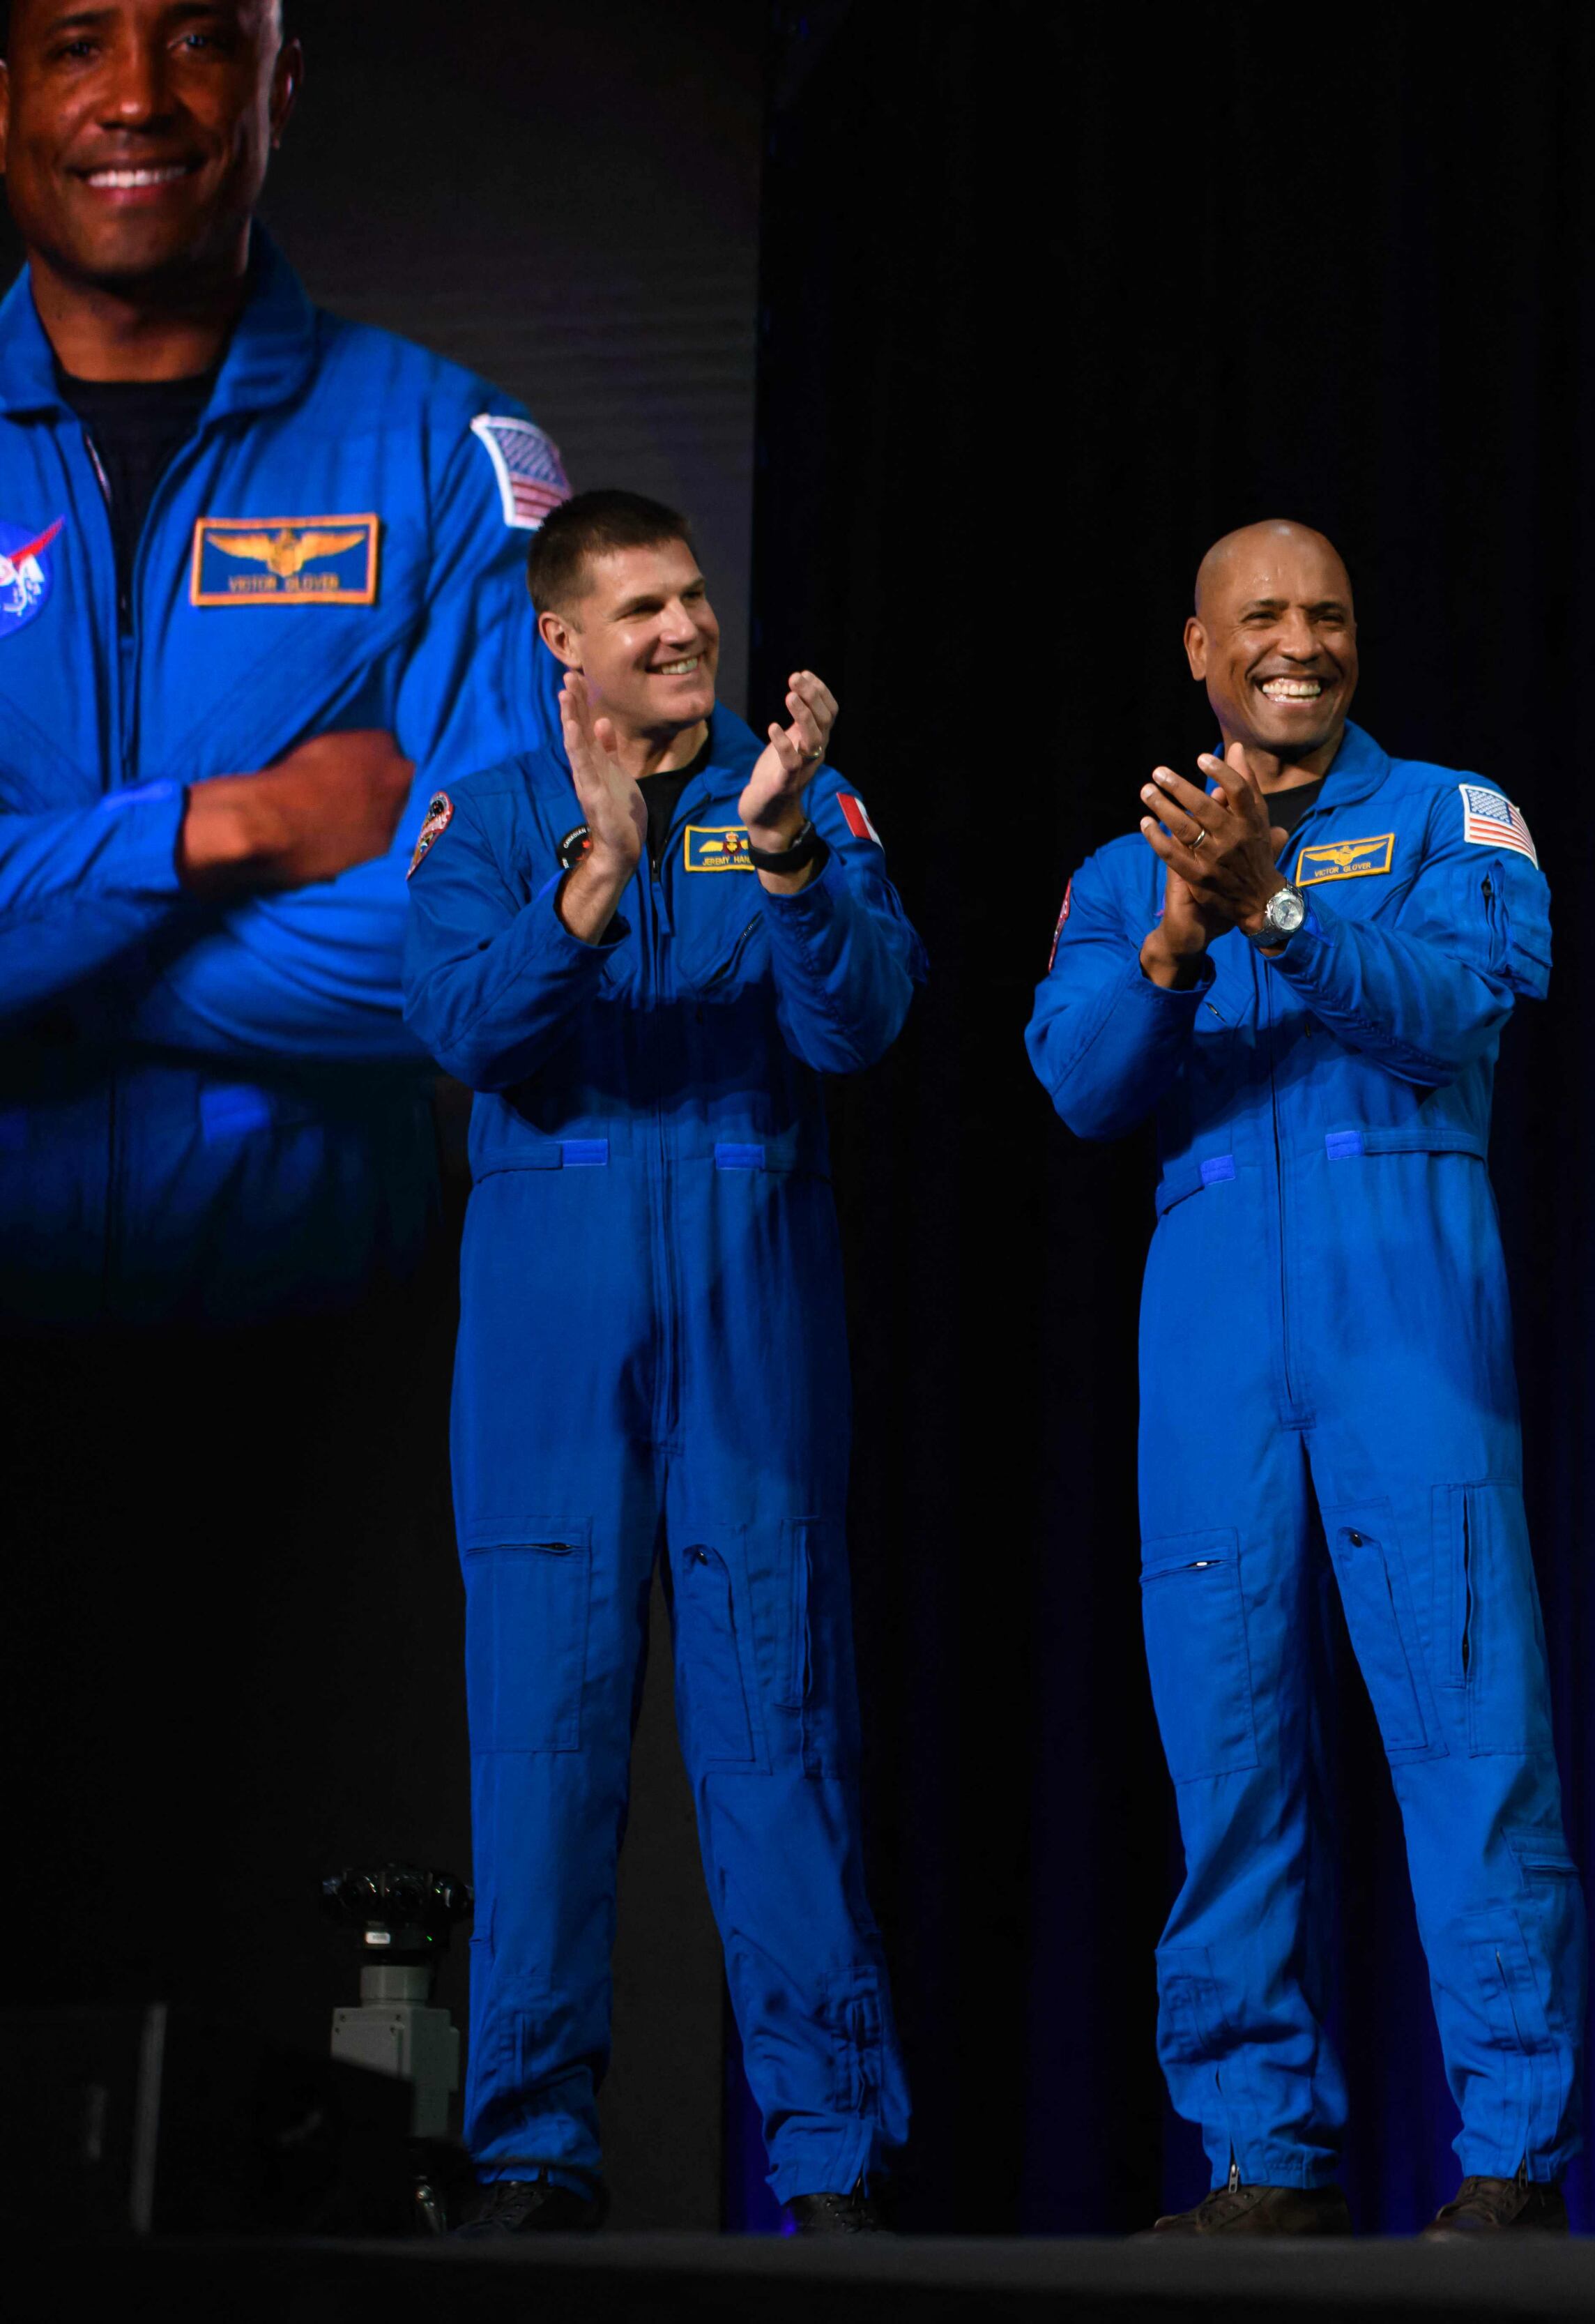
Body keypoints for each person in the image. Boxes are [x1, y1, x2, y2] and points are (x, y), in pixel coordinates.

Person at [1028, 519, 1583, 2239]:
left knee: (1471, 1739)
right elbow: (1081, 1088)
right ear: (1199, 649)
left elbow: (1464, 1006)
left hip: (1401, 1311)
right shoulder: (1128, 867)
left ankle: (1516, 2157)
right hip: (1210, 1334)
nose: (1301, 642)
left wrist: (1278, 906)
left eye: (1329, 614)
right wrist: (1176, 940)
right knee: (1231, 1758)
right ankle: (1261, 2154)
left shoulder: (1450, 815)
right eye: (1262, 616)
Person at [402, 490, 922, 2235]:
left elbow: (862, 1022)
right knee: (540, 1745)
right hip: (551, 1314)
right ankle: (530, 2150)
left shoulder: (799, 797)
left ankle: (833, 2157)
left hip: (747, 1289)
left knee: (781, 1728)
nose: (688, 628)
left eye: (693, 596)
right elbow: (461, 1027)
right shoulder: (491, 815)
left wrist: (780, 855)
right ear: (564, 639)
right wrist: (596, 878)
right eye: (644, 609)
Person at [0, 0, 560, 1323]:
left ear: (281, 86)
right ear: (4, 97)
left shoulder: (449, 453)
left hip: (318, 1345)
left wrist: (51, 980)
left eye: (198, 40)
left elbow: (502, 935)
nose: (136, 97)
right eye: (78, 44)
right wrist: (227, 827)